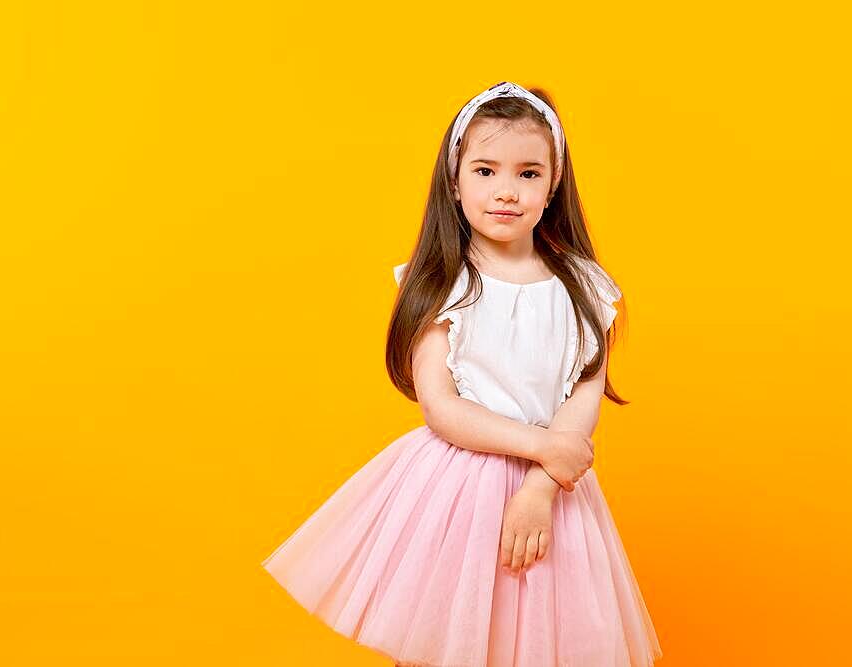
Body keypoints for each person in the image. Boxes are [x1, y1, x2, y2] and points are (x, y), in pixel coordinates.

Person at [261, 81, 663, 667]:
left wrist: (541, 484)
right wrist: (546, 448)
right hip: (456, 492)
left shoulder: (584, 285)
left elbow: (585, 388)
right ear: (454, 181)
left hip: (552, 492)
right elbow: (442, 408)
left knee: (542, 644)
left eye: (528, 173)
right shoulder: (444, 284)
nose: (506, 190)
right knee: (445, 639)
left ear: (554, 185)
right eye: (484, 170)